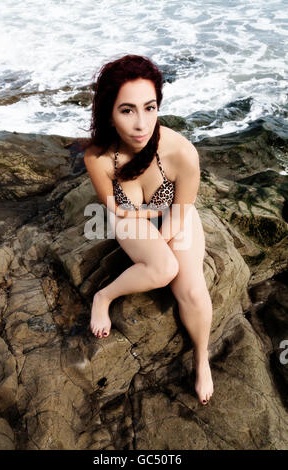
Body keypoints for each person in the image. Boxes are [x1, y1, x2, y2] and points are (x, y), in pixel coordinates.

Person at [83, 54, 214, 405]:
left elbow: (181, 210)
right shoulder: (96, 157)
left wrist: (163, 240)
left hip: (174, 216)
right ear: (109, 113)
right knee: (163, 268)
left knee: (190, 285)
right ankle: (104, 297)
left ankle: (201, 359)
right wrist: (140, 221)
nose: (141, 124)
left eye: (150, 107)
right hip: (128, 217)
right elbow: (111, 205)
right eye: (127, 110)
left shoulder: (181, 152)